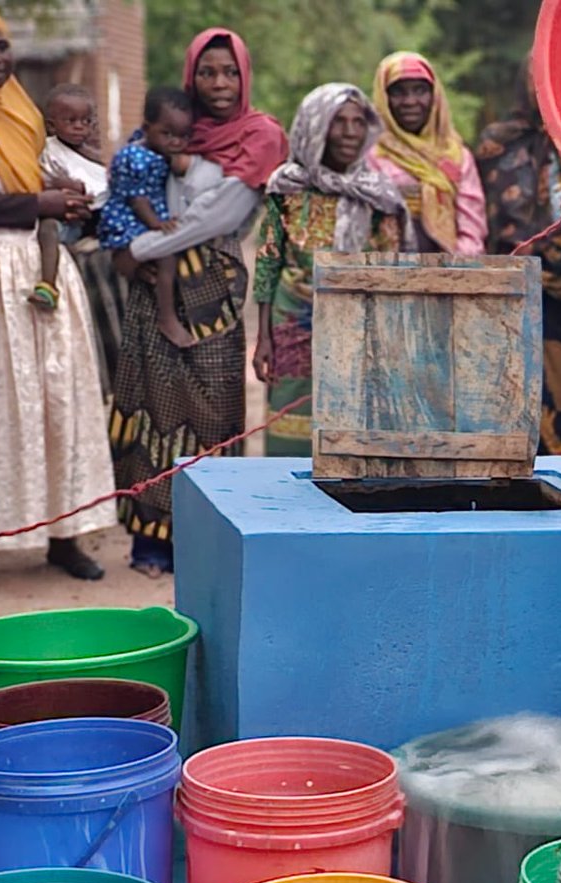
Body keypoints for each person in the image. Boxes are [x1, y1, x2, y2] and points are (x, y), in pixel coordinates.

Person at [110, 28, 288, 577]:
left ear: (245, 75)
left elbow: (217, 217)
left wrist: (136, 249)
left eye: (229, 71)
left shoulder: (259, 137)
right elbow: (124, 183)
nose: (219, 83)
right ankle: (150, 541)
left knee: (215, 410)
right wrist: (122, 247)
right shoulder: (174, 128)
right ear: (192, 76)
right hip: (154, 289)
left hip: (213, 291)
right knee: (153, 405)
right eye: (207, 72)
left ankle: (207, 543)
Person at [0, 4, 114, 586]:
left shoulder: (25, 109)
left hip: (42, 272)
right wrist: (37, 204)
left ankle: (65, 536)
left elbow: (52, 171)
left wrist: (68, 196)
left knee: (57, 402)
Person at [253, 83, 412, 456]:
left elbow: (394, 269)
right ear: (314, 126)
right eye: (338, 122)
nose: (350, 132)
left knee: (354, 432)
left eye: (358, 122)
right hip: (293, 323)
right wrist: (263, 336)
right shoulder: (286, 187)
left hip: (361, 327)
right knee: (291, 428)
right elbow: (268, 260)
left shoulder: (378, 194)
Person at [477, 58, 561, 455]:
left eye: (553, 78)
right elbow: (491, 216)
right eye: (536, 80)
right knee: (517, 387)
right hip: (517, 283)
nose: (544, 89)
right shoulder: (500, 143)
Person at [98, 87, 195, 349]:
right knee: (166, 254)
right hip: (130, 218)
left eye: (183, 136)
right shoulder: (135, 156)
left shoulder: (160, 152)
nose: (175, 142)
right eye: (167, 134)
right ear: (146, 128)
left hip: (149, 215)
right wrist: (157, 225)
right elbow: (137, 199)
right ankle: (167, 317)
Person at [369, 51, 486, 255]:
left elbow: (472, 227)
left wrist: (451, 266)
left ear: (435, 97)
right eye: (398, 92)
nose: (410, 101)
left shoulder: (456, 157)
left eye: (420, 91)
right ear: (383, 98)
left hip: (452, 267)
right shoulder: (371, 155)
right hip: (384, 268)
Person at [33, 83, 108, 311]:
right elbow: (40, 179)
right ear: (51, 125)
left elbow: (102, 186)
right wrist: (57, 185)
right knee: (48, 227)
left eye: (86, 121)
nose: (79, 127)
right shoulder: (49, 150)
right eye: (71, 121)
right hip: (67, 220)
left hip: (98, 217)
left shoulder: (95, 153)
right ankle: (48, 285)